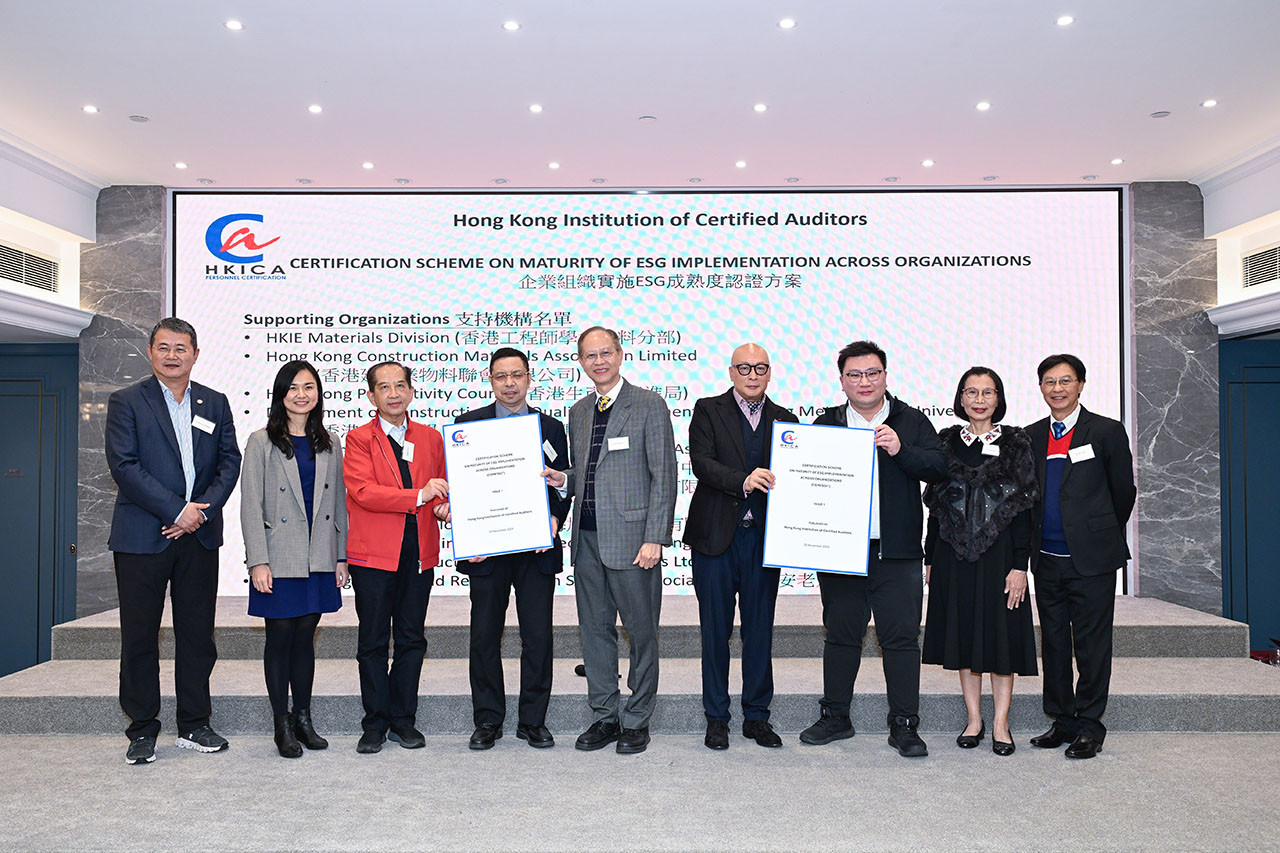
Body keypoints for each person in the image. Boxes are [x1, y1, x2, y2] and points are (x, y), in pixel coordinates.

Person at [799, 340, 946, 757]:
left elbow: (940, 467)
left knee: (900, 639)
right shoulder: (826, 424)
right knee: (841, 636)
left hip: (897, 553)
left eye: (872, 373)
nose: (864, 381)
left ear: (885, 376)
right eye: (855, 374)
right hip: (840, 551)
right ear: (842, 381)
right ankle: (835, 717)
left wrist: (901, 449)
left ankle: (904, 724)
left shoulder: (911, 420)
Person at [105, 317, 242, 765]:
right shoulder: (127, 401)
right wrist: (175, 510)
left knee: (197, 634)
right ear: (150, 352)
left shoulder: (214, 402)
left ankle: (195, 723)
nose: (172, 355)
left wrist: (199, 512)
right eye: (163, 347)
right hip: (143, 536)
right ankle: (142, 728)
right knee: (140, 636)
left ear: (195, 355)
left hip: (198, 536)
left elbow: (229, 462)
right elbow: (124, 466)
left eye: (181, 348)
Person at [542, 326, 676, 755]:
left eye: (605, 353)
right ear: (581, 362)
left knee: (641, 633)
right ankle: (604, 715)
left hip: (635, 543)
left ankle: (637, 719)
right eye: (590, 355)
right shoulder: (579, 411)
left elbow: (664, 475)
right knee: (594, 632)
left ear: (620, 355)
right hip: (587, 541)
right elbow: (589, 472)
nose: (598, 361)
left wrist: (655, 537)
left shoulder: (649, 404)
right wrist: (564, 479)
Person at [449, 347, 570, 750]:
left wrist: (555, 519)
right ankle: (488, 719)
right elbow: (461, 486)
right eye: (501, 376)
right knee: (484, 636)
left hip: (536, 550)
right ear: (490, 380)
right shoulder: (467, 425)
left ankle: (533, 720)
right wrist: (467, 530)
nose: (510, 383)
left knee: (538, 637)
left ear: (529, 378)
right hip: (487, 549)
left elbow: (564, 482)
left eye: (517, 375)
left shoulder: (550, 428)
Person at [684, 343, 797, 750]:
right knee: (715, 632)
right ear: (731, 372)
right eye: (745, 368)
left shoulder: (786, 420)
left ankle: (757, 717)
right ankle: (717, 718)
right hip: (715, 539)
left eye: (760, 368)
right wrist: (743, 481)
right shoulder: (707, 410)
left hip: (764, 541)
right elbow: (702, 463)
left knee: (759, 631)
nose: (753, 375)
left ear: (770, 373)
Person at [922, 367, 1038, 756]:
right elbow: (936, 507)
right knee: (964, 635)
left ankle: (1001, 723)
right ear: (960, 398)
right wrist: (929, 557)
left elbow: (1023, 509)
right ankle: (974, 719)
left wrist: (1020, 566)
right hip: (953, 556)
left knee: (1001, 638)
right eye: (971, 392)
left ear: (998, 399)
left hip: (1001, 558)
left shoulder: (1015, 444)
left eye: (988, 392)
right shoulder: (945, 443)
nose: (979, 400)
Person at [1026, 354, 1136, 759]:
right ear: (1041, 387)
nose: (1057, 388)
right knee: (1054, 643)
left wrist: (1097, 534)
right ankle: (1062, 720)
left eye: (1065, 381)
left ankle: (1090, 725)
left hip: (1091, 561)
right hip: (1047, 559)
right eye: (1049, 381)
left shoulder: (1105, 431)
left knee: (1091, 645)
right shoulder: (1031, 436)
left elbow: (1123, 492)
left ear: (1081, 385)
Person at [239, 360, 348, 758]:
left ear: (318, 393)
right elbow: (250, 505)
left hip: (318, 556)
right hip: (278, 556)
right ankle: (281, 724)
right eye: (293, 388)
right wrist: (258, 561)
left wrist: (340, 556)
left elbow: (338, 504)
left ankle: (304, 718)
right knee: (280, 638)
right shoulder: (261, 441)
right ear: (280, 394)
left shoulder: (331, 441)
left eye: (309, 387)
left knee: (306, 638)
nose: (301, 395)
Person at [344, 361, 449, 754]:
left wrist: (444, 505)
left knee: (411, 639)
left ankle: (404, 721)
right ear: (371, 396)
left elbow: (443, 489)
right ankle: (374, 723)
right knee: (372, 641)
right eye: (384, 387)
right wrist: (421, 495)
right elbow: (363, 492)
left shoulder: (431, 438)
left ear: (411, 391)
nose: (393, 394)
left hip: (418, 553)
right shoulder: (359, 439)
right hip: (373, 557)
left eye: (400, 385)